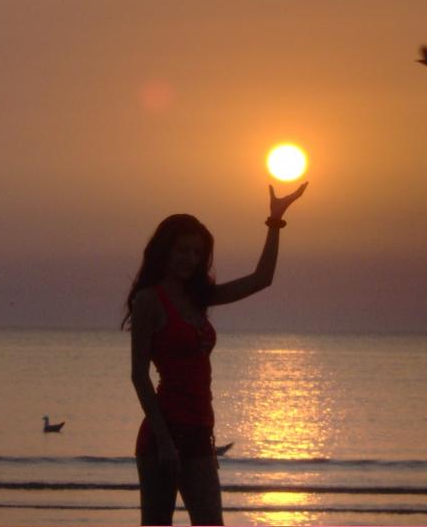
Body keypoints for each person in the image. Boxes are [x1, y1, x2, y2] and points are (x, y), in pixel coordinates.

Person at [121, 182, 308, 526]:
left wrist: (275, 221)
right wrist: (164, 441)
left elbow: (262, 279)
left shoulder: (199, 298)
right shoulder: (149, 300)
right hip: (164, 433)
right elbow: (138, 375)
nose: (190, 259)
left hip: (199, 432)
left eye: (197, 252)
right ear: (165, 251)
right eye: (183, 250)